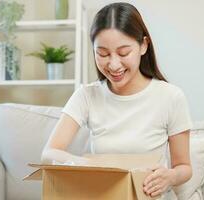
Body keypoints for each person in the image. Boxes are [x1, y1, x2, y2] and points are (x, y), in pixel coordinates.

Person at [41, 2, 193, 198]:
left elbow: (184, 167)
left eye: (123, 53)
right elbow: (49, 153)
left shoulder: (171, 97)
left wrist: (170, 177)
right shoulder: (87, 96)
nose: (113, 65)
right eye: (102, 54)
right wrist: (88, 165)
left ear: (143, 45)